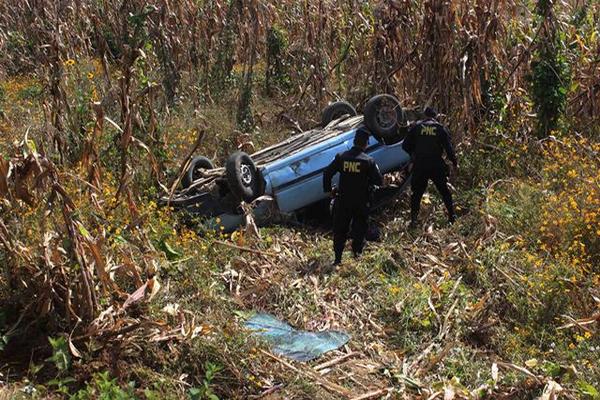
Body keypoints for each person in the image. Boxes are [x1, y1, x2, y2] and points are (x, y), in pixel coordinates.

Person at [323, 128, 383, 267]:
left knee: (340, 230)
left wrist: (329, 191)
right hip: (361, 202)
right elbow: (379, 181)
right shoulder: (369, 161)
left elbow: (327, 173)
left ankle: (337, 259)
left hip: (343, 200)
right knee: (359, 229)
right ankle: (356, 256)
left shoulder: (341, 157)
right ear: (366, 143)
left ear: (354, 141)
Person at [402, 107, 457, 228]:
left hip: (420, 165)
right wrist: (454, 162)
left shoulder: (416, 127)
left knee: (416, 194)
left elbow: (405, 145)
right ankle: (452, 217)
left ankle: (414, 220)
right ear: (435, 117)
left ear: (424, 116)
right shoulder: (440, 128)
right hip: (436, 164)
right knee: (444, 191)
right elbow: (449, 149)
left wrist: (414, 155)